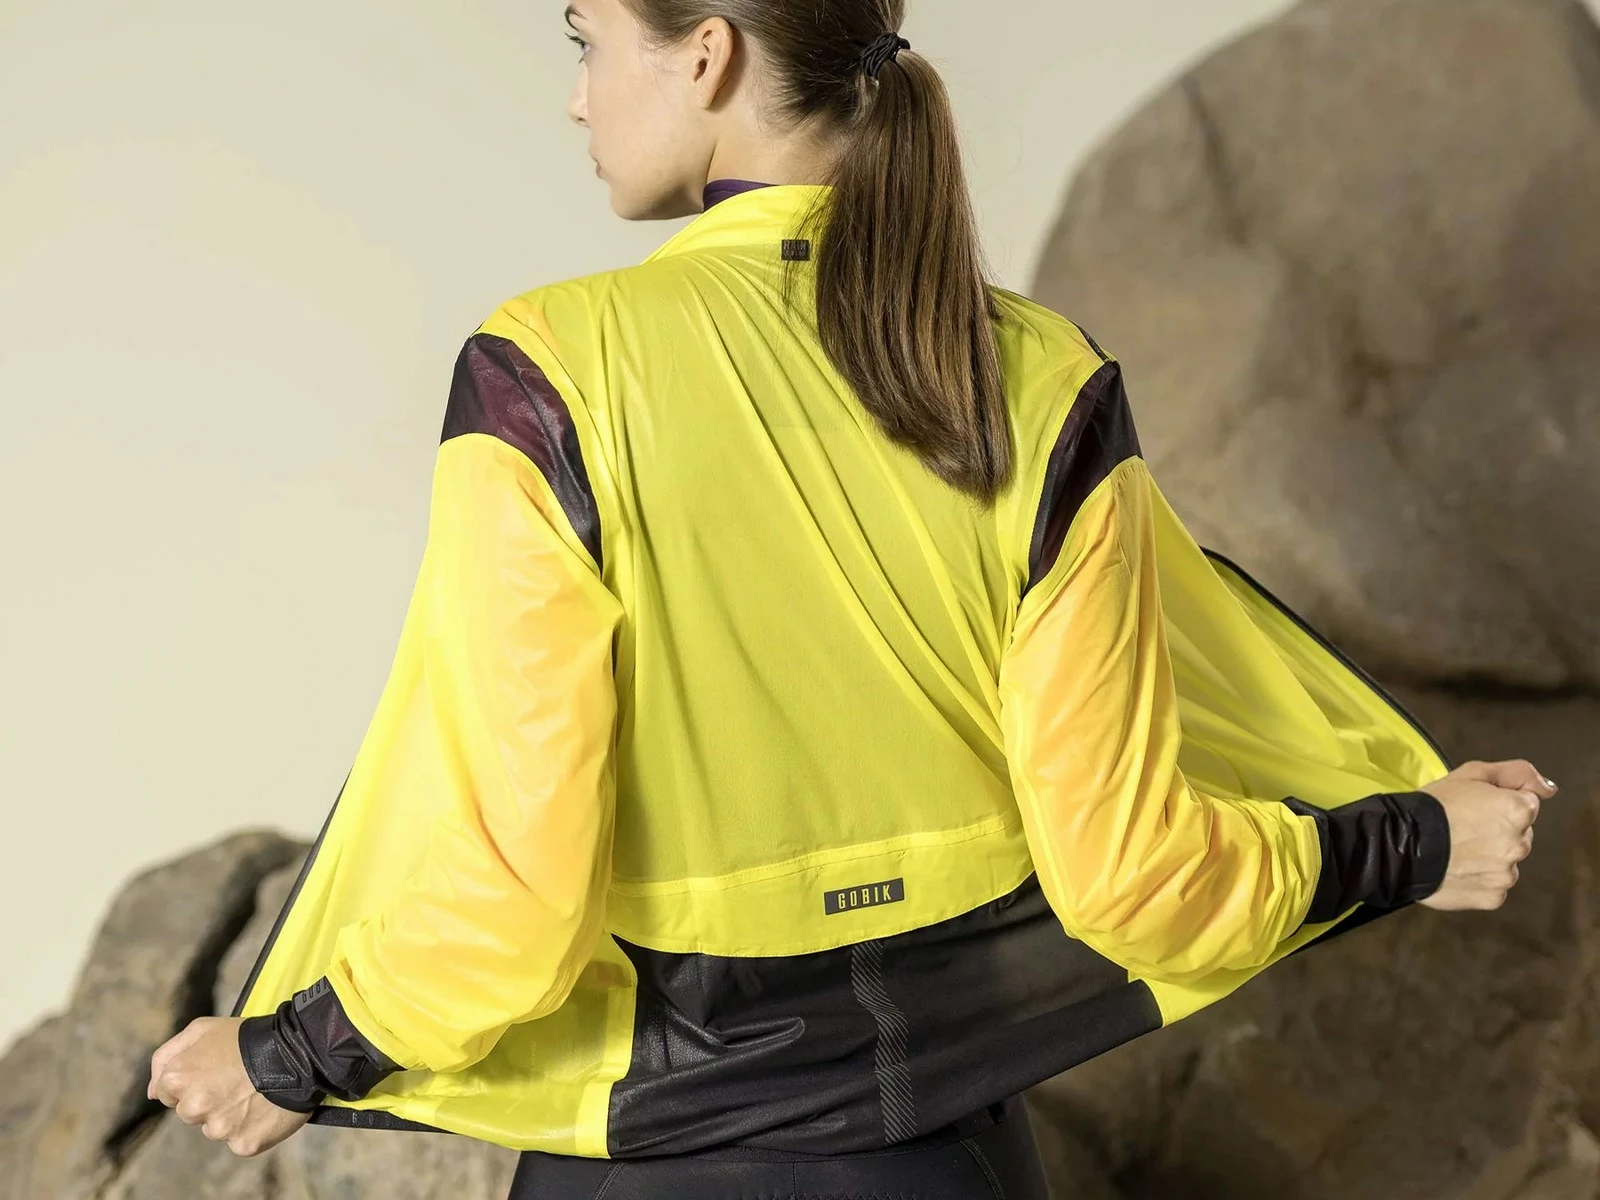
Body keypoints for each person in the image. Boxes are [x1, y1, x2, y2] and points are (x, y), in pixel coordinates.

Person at [145, 1, 1557, 1196]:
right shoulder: (1040, 381)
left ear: (705, 55)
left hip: (648, 1167)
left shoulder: (551, 377)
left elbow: (517, 901)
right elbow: (1137, 885)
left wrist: (286, 1056)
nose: (578, 98)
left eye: (585, 41)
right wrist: (1414, 841)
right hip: (952, 1162)